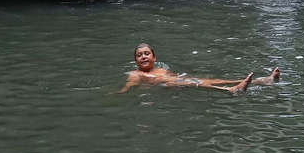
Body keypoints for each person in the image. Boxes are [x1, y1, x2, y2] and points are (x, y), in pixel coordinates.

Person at [116, 43, 280, 94]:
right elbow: (129, 84)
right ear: (135, 61)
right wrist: (121, 91)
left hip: (177, 79)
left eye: (146, 54)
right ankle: (232, 90)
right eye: (139, 55)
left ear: (154, 57)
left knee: (215, 80)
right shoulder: (135, 73)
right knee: (199, 83)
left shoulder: (160, 69)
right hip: (172, 84)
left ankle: (264, 80)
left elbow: (173, 75)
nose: (143, 57)